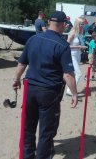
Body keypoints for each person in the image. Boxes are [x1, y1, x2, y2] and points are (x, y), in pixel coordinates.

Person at [12, 11, 78, 159]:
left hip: (30, 90)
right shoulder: (62, 45)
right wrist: (74, 93)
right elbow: (68, 74)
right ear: (63, 25)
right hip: (49, 92)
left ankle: (27, 156)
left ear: (49, 22)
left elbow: (22, 63)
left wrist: (16, 79)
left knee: (28, 127)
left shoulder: (33, 39)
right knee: (46, 131)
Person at [66, 18, 87, 96]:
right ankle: (71, 90)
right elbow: (66, 46)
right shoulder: (73, 33)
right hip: (72, 55)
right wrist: (79, 47)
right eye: (81, 24)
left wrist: (80, 47)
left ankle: (69, 90)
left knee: (75, 73)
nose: (83, 25)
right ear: (77, 24)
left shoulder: (78, 33)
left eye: (83, 24)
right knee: (79, 73)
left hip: (77, 54)